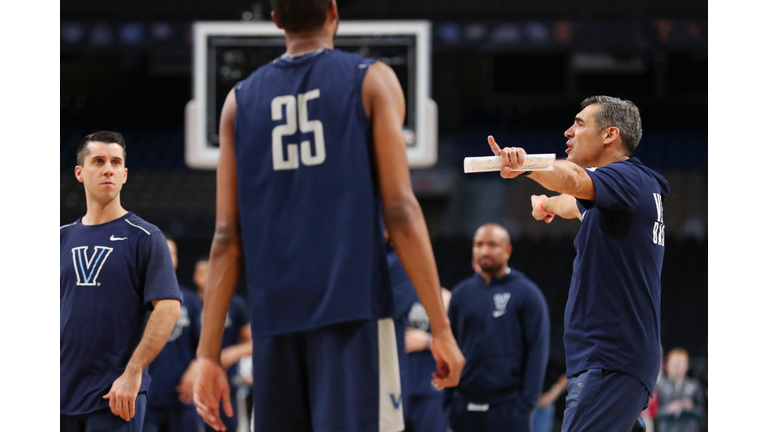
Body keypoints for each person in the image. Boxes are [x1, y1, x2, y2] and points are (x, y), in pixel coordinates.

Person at [192, 1, 465, 430]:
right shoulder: (371, 80)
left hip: (273, 318)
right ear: (333, 11)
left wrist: (207, 355)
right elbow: (400, 210)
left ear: (276, 19)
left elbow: (226, 236)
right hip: (351, 313)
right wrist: (441, 328)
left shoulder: (237, 102)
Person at [488, 95, 670, 432]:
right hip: (619, 360)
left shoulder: (627, 178)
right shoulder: (626, 193)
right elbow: (574, 202)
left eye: (580, 123)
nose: (569, 131)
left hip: (610, 358)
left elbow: (573, 179)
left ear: (610, 135)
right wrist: (547, 205)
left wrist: (528, 164)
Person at [60, 131, 181, 432]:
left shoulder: (145, 237)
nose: (108, 169)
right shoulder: (58, 238)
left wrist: (133, 373)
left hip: (115, 394)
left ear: (125, 174)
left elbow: (167, 308)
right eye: (98, 161)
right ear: (80, 172)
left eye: (116, 162)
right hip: (59, 393)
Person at [446, 223, 550, 432]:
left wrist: (526, 405)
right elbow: (450, 346)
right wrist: (448, 401)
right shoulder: (460, 294)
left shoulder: (527, 293)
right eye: (478, 245)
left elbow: (538, 350)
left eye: (492, 245)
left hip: (508, 409)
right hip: (463, 408)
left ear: (507, 250)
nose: (484, 251)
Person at [386, 229, 452, 432]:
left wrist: (426, 340)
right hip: (396, 381)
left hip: (429, 385)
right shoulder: (390, 291)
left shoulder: (444, 296)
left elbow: (459, 344)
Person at [144, 236, 206, 432]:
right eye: (163, 252)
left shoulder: (191, 300)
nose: (168, 258)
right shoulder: (133, 297)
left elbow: (205, 345)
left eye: (173, 253)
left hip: (182, 396)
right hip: (144, 397)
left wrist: (196, 369)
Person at [191, 257, 252, 432]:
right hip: (189, 381)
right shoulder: (188, 303)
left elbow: (252, 342)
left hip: (224, 380)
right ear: (196, 276)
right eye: (204, 272)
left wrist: (233, 351)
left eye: (213, 272)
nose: (208, 277)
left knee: (223, 427)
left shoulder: (235, 304)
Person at [655, 348, 705, 432]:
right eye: (675, 363)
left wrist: (691, 408)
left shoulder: (694, 385)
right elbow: (653, 413)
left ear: (686, 365)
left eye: (680, 363)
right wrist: (668, 409)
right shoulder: (660, 386)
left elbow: (702, 412)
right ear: (668, 365)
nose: (677, 366)